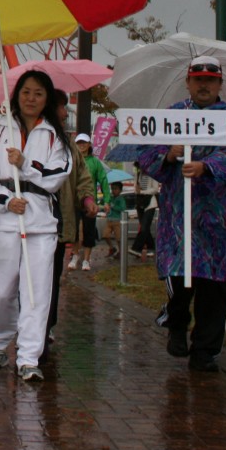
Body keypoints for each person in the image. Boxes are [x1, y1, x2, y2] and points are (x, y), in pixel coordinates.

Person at [137, 56, 226, 373]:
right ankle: (176, 322)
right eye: (197, 79)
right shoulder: (171, 115)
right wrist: (168, 154)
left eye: (210, 80)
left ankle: (204, 352)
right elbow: (145, 156)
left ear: (219, 84)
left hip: (220, 224)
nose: (203, 85)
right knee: (179, 278)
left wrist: (205, 166)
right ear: (188, 82)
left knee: (215, 291)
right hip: (179, 221)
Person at [0, 70, 71, 381]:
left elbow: (58, 175)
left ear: (47, 99)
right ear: (16, 94)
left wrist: (26, 164)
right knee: (2, 291)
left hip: (41, 223)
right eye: (26, 92)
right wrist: (6, 201)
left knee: (36, 292)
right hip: (5, 221)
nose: (31, 99)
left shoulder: (55, 135)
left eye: (39, 94)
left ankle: (29, 357)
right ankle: (2, 338)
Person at [45, 89, 97, 350]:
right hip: (28, 227)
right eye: (61, 107)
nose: (66, 114)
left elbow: (83, 179)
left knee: (52, 279)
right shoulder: (23, 139)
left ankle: (47, 326)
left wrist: (88, 200)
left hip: (59, 226)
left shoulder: (68, 147)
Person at [68, 134, 108, 271]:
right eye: (79, 143)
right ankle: (74, 256)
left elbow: (103, 180)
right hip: (73, 202)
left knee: (88, 231)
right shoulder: (71, 160)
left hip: (90, 204)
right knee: (74, 232)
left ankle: (86, 260)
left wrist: (107, 200)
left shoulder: (95, 163)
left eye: (84, 143)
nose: (82, 145)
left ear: (89, 145)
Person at [129, 170, 159, 262]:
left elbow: (155, 189)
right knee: (145, 228)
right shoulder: (138, 174)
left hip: (150, 204)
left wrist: (142, 191)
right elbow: (136, 189)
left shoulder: (153, 174)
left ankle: (136, 249)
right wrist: (137, 190)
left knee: (144, 228)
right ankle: (151, 248)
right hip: (140, 204)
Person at [101, 179, 127, 257]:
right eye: (112, 188)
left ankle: (121, 252)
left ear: (120, 190)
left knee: (118, 238)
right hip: (109, 220)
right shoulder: (110, 198)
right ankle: (112, 248)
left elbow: (122, 208)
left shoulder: (121, 199)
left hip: (117, 221)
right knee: (105, 235)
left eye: (115, 189)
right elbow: (104, 203)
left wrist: (114, 206)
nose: (113, 190)